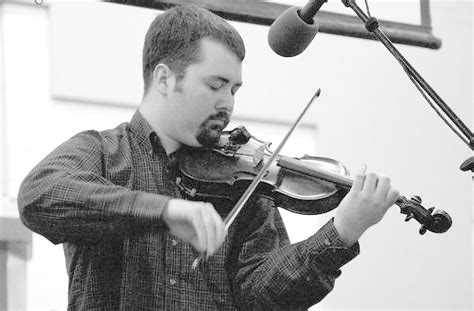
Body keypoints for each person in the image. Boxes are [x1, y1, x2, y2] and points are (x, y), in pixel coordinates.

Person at [17, 4, 398, 310]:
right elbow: (39, 195)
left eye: (234, 89)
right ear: (165, 79)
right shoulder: (104, 153)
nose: (228, 104)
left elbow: (263, 297)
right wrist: (164, 211)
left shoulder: (241, 177)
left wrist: (341, 233)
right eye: (216, 85)